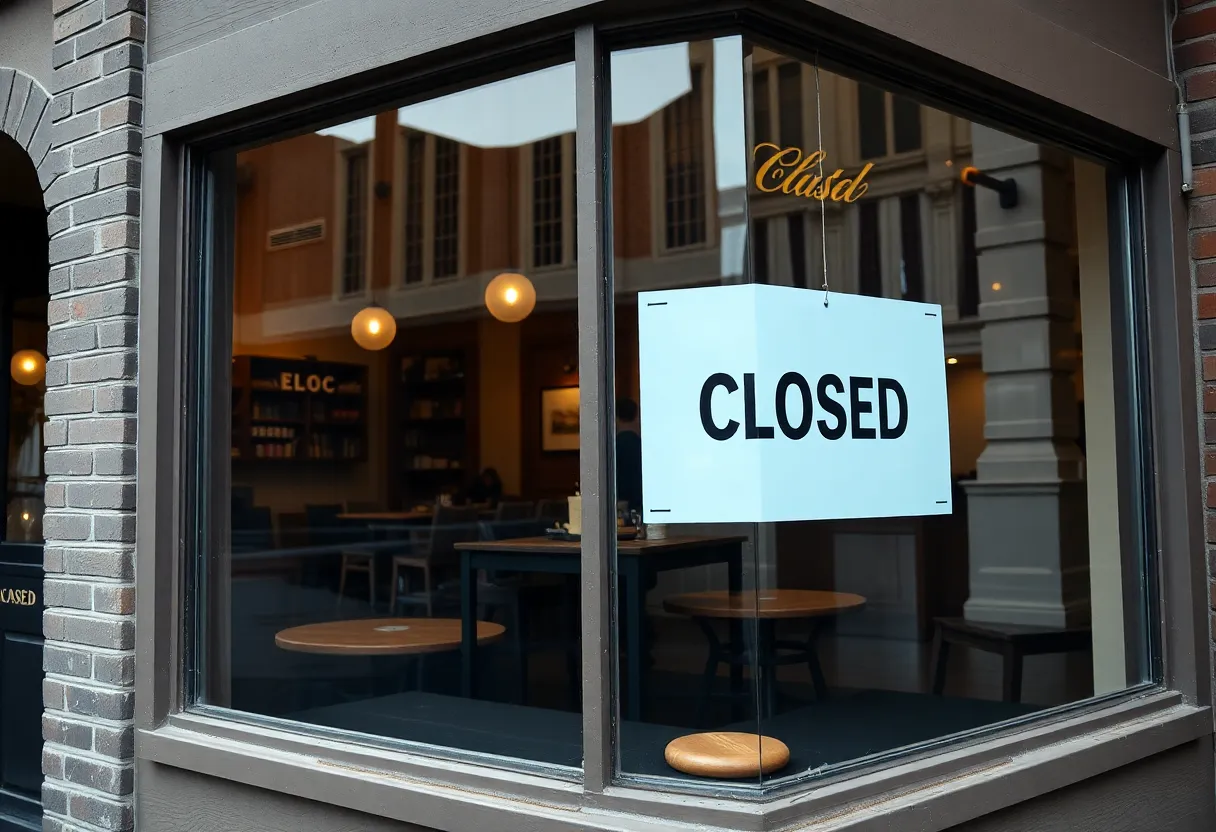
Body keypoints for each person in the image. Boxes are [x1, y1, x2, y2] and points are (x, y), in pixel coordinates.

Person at [616, 397, 643, 514]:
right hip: (640, 504)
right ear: (636, 416)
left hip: (619, 505)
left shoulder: (612, 447)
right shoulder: (641, 445)